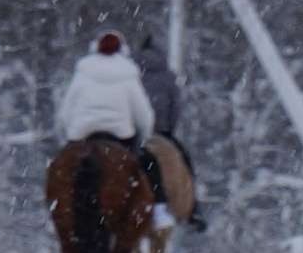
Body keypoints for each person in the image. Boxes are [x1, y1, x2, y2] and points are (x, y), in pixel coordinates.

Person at [58, 28, 161, 198]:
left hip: (82, 135)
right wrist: (143, 138)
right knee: (150, 165)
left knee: (63, 172)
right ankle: (159, 210)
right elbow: (144, 116)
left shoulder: (82, 73)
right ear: (123, 50)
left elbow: (66, 112)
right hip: (120, 137)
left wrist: (70, 135)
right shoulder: (128, 74)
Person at [135, 30, 208, 233]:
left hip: (135, 133)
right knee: (184, 160)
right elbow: (175, 108)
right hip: (161, 131)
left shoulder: (131, 73)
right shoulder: (168, 76)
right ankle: (193, 210)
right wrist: (167, 129)